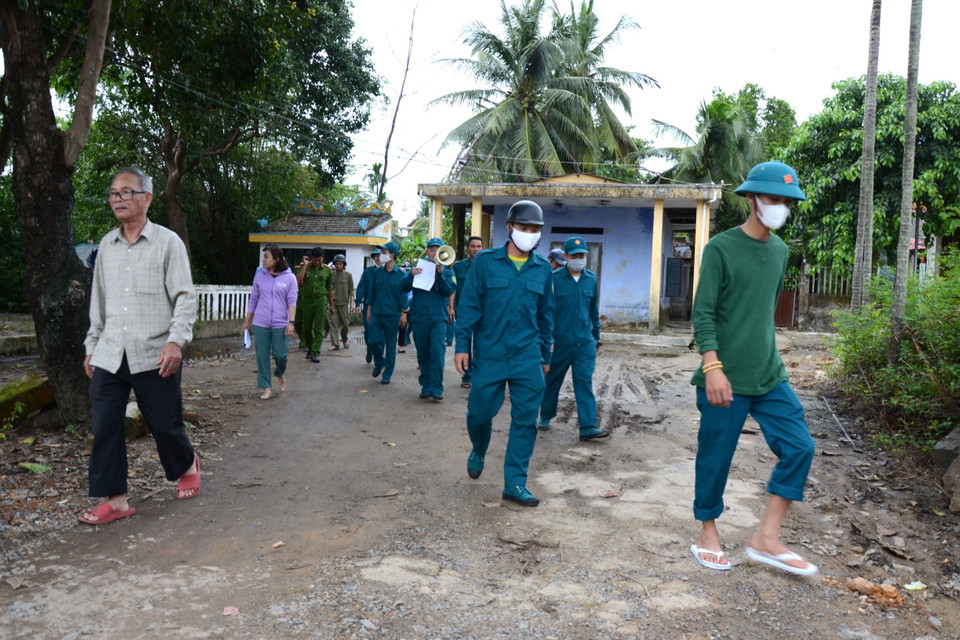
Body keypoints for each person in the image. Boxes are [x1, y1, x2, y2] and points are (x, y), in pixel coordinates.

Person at [689, 161, 818, 576]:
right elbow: (704, 312)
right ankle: (708, 532)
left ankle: (766, 538)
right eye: (773, 199)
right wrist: (712, 366)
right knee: (716, 457)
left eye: (786, 202)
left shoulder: (780, 251)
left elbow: (761, 313)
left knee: (800, 446)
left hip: (769, 374)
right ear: (751, 198)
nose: (780, 207)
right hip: (725, 375)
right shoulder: (721, 248)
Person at [79, 167, 200, 525]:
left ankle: (186, 464)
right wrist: (91, 346)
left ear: (147, 198)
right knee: (105, 426)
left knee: (164, 424)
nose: (118, 199)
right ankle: (115, 500)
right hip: (111, 352)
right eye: (113, 193)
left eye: (126, 192)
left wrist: (176, 341)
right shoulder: (107, 247)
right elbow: (98, 304)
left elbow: (184, 298)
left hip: (154, 353)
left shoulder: (167, 243)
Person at [455, 200, 554, 507]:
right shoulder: (485, 262)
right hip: (491, 355)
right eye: (524, 228)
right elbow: (469, 305)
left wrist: (546, 356)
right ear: (510, 228)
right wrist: (462, 346)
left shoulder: (543, 269)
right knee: (479, 414)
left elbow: (546, 315)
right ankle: (479, 447)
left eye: (535, 229)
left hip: (527, 356)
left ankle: (515, 482)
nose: (530, 234)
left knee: (525, 422)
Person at [537, 237, 608, 441]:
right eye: (575, 256)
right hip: (559, 342)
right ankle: (545, 415)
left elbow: (593, 311)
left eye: (582, 256)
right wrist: (546, 339)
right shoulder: (554, 279)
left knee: (584, 382)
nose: (579, 259)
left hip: (584, 342)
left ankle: (588, 426)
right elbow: (547, 312)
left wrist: (596, 338)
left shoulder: (590, 279)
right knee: (552, 380)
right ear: (565, 256)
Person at [402, 237, 456, 402]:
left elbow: (448, 291)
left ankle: (437, 388)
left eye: (437, 250)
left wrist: (440, 275)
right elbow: (403, 287)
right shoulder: (418, 267)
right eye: (431, 249)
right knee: (423, 353)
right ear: (427, 251)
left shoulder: (448, 271)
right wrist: (410, 275)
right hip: (419, 318)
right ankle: (426, 385)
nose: (434, 253)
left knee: (437, 352)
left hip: (438, 318)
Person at [241, 246, 297, 400]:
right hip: (261, 322)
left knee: (281, 355)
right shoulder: (260, 276)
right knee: (262, 356)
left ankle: (280, 372)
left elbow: (292, 301)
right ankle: (266, 387)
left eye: (266, 256)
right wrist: (247, 321)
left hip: (280, 323)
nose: (263, 259)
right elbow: (253, 299)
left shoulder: (289, 278)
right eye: (263, 256)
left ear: (277, 259)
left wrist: (291, 322)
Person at [366, 241, 408, 384]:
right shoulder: (377, 273)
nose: (381, 255)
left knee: (390, 346)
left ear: (392, 255)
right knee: (372, 341)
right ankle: (379, 363)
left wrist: (404, 313)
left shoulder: (401, 275)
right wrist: (369, 310)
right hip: (377, 313)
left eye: (384, 252)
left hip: (392, 315)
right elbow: (372, 293)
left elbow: (404, 295)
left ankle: (387, 374)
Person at [450, 236, 483, 388]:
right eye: (473, 246)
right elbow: (454, 289)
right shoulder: (458, 267)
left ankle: (478, 376)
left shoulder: (486, 266)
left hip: (482, 312)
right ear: (467, 248)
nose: (475, 249)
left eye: (478, 246)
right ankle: (466, 377)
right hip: (463, 312)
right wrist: (451, 307)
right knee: (464, 343)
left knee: (480, 345)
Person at [296, 246, 334, 363]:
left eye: (319, 260)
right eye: (315, 260)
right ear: (311, 258)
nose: (317, 262)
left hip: (320, 301)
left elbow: (329, 288)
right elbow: (297, 281)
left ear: (322, 258)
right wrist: (306, 265)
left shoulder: (327, 270)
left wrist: (331, 305)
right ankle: (310, 347)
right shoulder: (302, 267)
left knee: (318, 327)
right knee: (306, 328)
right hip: (306, 301)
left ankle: (316, 352)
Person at [353, 249, 382, 363]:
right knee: (368, 331)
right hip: (369, 307)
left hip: (383, 307)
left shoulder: (388, 271)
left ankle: (378, 356)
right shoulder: (368, 272)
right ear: (373, 258)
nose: (378, 258)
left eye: (380, 256)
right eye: (376, 256)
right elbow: (361, 288)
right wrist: (357, 303)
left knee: (381, 334)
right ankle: (369, 349)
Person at [328, 254, 354, 351]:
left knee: (345, 324)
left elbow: (351, 291)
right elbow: (328, 289)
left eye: (340, 264)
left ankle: (344, 339)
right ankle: (335, 344)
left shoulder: (348, 276)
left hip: (343, 304)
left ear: (344, 265)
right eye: (337, 264)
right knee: (333, 324)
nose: (339, 266)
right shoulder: (331, 275)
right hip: (333, 303)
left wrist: (351, 304)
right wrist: (329, 304)